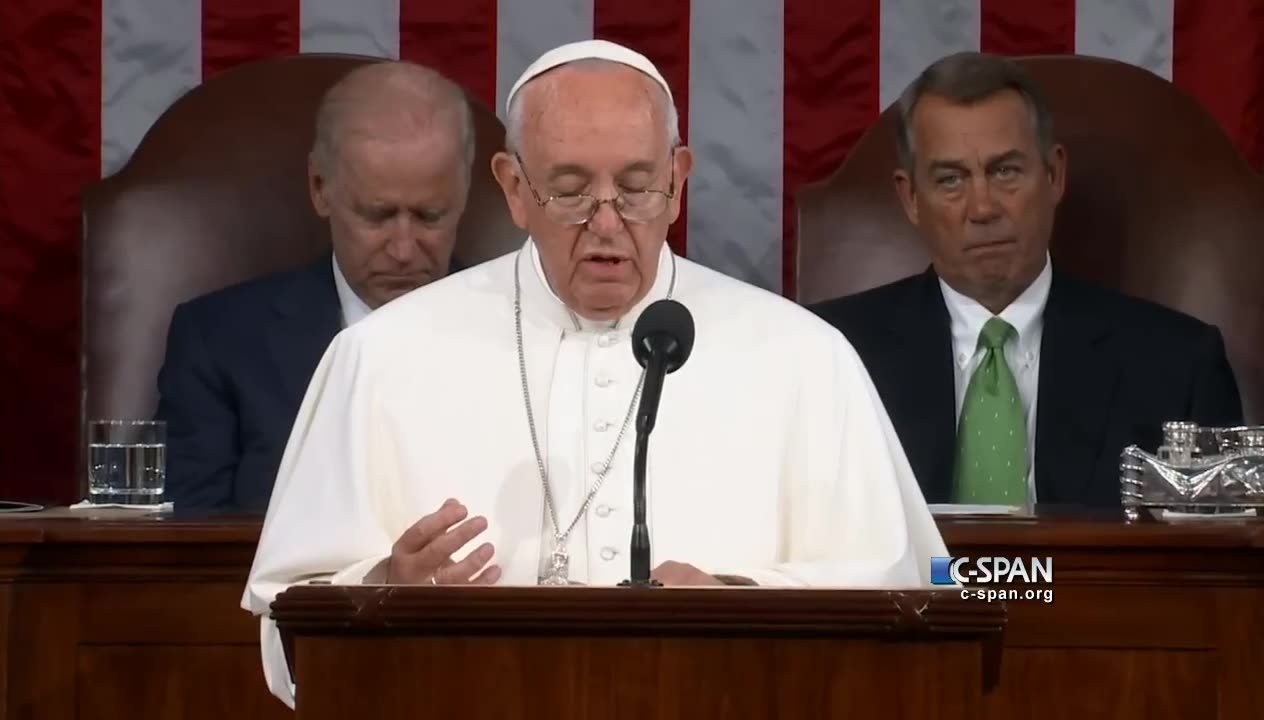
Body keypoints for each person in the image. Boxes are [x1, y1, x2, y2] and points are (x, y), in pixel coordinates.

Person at [241, 39, 947, 708]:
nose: (607, 224)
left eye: (637, 188)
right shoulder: (379, 356)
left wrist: (738, 600)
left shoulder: (804, 358)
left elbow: (909, 595)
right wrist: (382, 589)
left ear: (678, 182)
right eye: (571, 191)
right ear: (514, 189)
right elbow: (286, 623)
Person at [810, 52, 1243, 510]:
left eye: (1005, 171)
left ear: (1054, 175)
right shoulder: (826, 354)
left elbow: (1220, 551)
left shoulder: (1180, 366)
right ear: (911, 198)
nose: (982, 208)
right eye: (951, 179)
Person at [154, 61, 472, 512]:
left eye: (429, 216)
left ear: (462, 194)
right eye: (377, 216)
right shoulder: (219, 344)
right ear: (320, 187)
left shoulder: (528, 337)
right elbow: (188, 542)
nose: (403, 250)